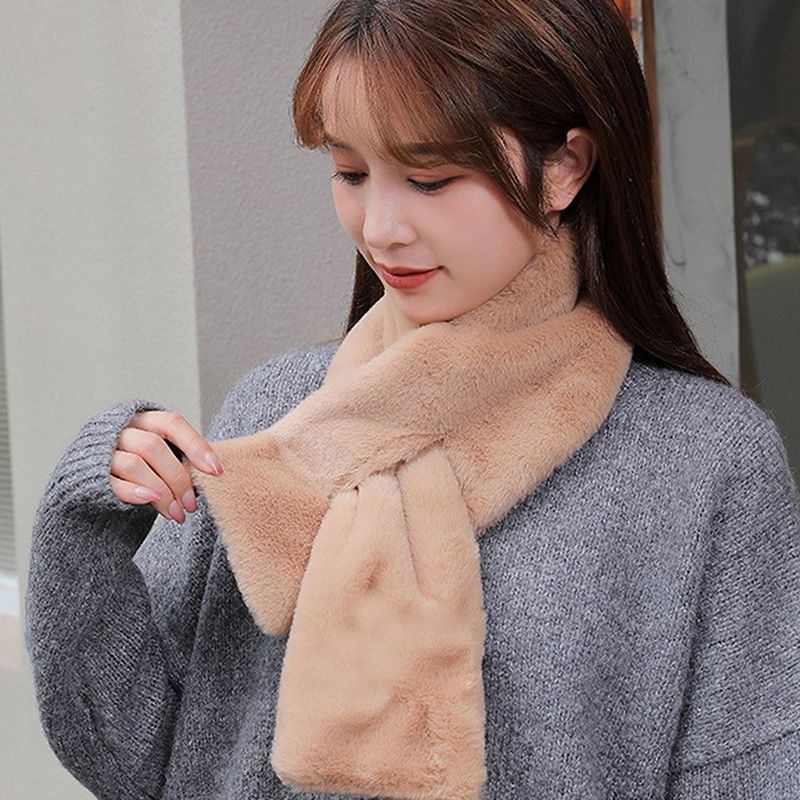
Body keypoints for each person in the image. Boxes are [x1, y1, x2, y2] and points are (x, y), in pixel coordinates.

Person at [25, 0, 800, 798]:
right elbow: (134, 757)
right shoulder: (276, 412)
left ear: (565, 168)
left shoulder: (703, 461)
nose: (381, 227)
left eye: (430, 178)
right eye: (351, 173)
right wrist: (91, 517)